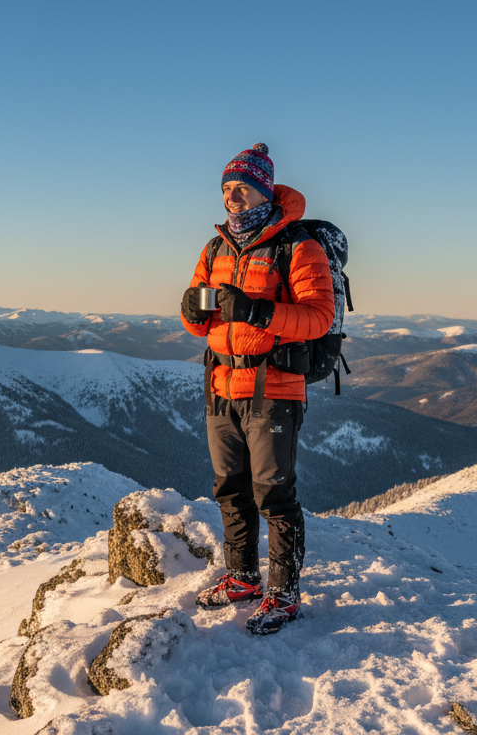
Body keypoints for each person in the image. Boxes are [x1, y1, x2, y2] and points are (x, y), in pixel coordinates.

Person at [180, 143, 334, 635]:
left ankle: (284, 593)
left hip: (274, 385)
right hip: (221, 382)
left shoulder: (296, 246)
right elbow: (200, 327)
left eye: (241, 189)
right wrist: (190, 310)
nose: (232, 199)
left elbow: (319, 316)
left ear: (264, 190)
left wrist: (256, 312)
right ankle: (243, 577)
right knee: (231, 488)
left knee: (273, 492)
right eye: (227, 190)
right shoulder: (215, 248)